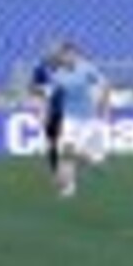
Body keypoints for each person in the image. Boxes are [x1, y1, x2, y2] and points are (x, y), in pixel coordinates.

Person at [46, 43, 109, 199]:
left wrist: (102, 104)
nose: (70, 58)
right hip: (70, 117)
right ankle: (68, 187)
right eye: (66, 55)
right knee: (67, 151)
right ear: (62, 57)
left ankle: (88, 161)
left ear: (77, 55)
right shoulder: (58, 75)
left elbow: (105, 84)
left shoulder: (86, 69)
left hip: (88, 118)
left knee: (78, 155)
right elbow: (51, 95)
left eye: (73, 55)